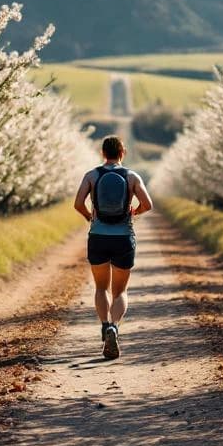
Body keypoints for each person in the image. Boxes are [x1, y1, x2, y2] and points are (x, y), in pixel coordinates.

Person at [74, 135, 152, 359]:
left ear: (103, 153)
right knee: (120, 291)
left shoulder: (91, 175)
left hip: (98, 236)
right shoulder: (132, 176)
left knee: (101, 288)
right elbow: (148, 204)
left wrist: (90, 217)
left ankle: (104, 324)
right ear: (122, 153)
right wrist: (134, 212)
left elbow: (78, 203)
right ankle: (114, 327)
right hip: (123, 238)